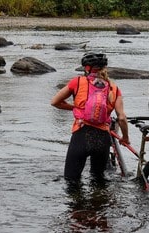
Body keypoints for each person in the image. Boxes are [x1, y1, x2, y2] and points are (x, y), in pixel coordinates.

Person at [51, 52, 130, 183]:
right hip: (102, 140)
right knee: (98, 181)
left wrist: (76, 107)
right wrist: (125, 138)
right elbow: (121, 117)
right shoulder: (114, 88)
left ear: (87, 68)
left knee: (71, 181)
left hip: (81, 135)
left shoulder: (77, 82)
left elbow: (55, 102)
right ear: (105, 68)